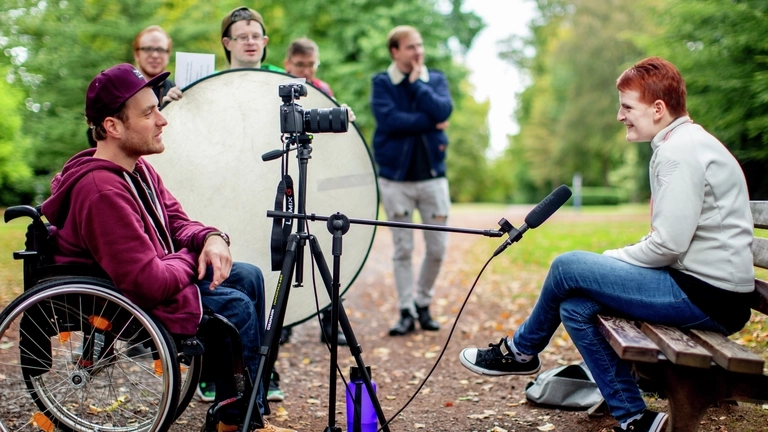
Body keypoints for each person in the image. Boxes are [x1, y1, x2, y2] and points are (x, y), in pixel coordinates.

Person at [458, 57, 756, 432]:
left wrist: (605, 262)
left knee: (568, 267)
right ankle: (635, 417)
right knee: (575, 305)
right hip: (701, 288)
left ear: (658, 109)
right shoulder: (680, 143)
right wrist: (605, 270)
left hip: (709, 296)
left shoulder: (680, 152)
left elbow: (667, 245)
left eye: (627, 106)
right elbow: (671, 243)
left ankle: (520, 351)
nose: (620, 116)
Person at [40, 64, 293, 432]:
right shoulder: (102, 191)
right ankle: (238, 423)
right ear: (113, 126)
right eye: (149, 113)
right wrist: (194, 255)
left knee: (248, 276)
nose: (163, 120)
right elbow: (146, 282)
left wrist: (210, 238)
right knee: (233, 308)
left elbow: (176, 221)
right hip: (123, 302)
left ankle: (237, 418)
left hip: (154, 274)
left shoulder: (137, 170)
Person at [370, 25, 452, 337]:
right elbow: (389, 121)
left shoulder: (435, 79)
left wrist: (418, 86)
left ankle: (422, 303)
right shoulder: (382, 82)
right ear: (395, 51)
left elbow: (444, 109)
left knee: (438, 247)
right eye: (410, 47)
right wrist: (430, 121)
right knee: (402, 248)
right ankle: (405, 309)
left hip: (433, 179)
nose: (418, 51)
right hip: (396, 181)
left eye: (420, 45)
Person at [276, 37, 354, 349]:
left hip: (319, 174)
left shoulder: (323, 89)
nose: (306, 72)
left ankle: (329, 321)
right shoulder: (280, 89)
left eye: (311, 65)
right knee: (284, 244)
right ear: (287, 64)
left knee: (325, 241)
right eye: (300, 66)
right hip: (286, 174)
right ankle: (283, 321)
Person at [132, 25, 182, 104]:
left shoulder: (176, 92)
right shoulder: (123, 90)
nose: (155, 55)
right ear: (137, 55)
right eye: (148, 49)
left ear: (168, 55)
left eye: (161, 50)